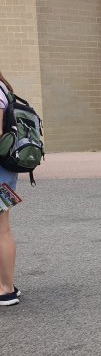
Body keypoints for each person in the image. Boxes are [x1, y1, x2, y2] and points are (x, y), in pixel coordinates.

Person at [0, 71, 20, 306]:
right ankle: (7, 283)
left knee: (2, 229)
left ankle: (6, 289)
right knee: (3, 228)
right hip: (6, 171)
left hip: (1, 173)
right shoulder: (4, 88)